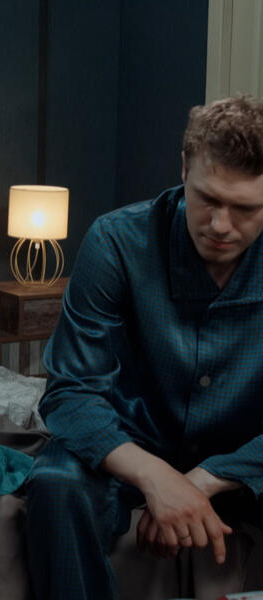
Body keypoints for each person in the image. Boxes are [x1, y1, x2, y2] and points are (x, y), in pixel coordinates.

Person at [26, 95, 263, 599]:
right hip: (130, 442)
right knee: (57, 484)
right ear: (184, 169)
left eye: (245, 209)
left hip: (246, 454)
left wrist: (205, 480)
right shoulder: (116, 241)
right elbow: (70, 392)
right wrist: (156, 477)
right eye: (207, 199)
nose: (221, 225)